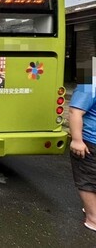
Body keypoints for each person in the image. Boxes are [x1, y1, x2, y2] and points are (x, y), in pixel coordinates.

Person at [69, 78, 96, 231]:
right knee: (88, 179)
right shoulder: (90, 81)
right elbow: (75, 111)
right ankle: (93, 218)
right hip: (90, 142)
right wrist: (77, 140)